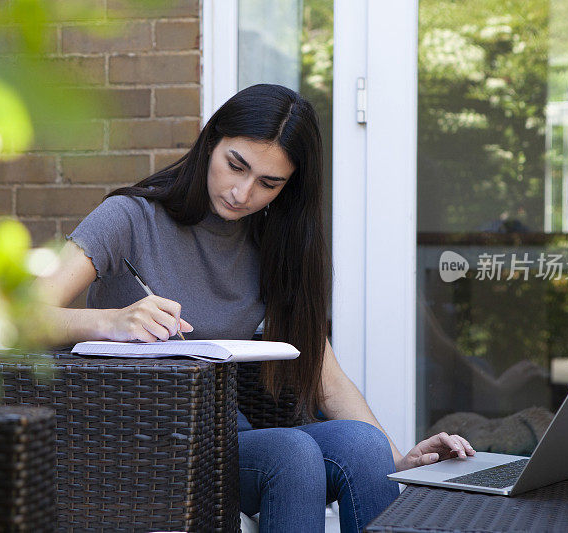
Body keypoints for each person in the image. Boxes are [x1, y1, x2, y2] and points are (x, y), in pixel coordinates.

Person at [37, 84, 475, 532]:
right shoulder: (129, 217)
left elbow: (328, 382)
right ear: (212, 142)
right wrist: (113, 321)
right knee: (292, 453)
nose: (242, 193)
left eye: (268, 183)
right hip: (131, 441)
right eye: (236, 166)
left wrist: (399, 459)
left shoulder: (272, 245)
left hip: (222, 441)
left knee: (363, 445)